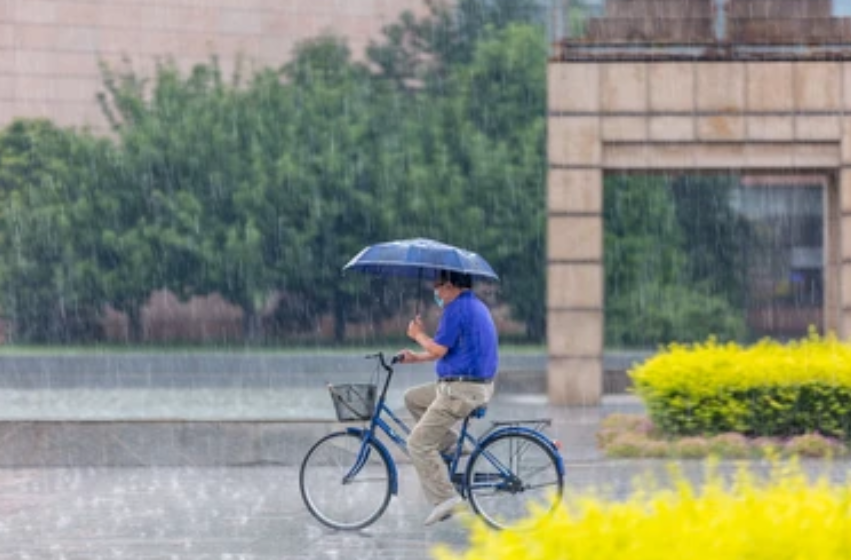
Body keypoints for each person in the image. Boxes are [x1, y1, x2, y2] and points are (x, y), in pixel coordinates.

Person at [396, 269, 499, 526]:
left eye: (439, 287)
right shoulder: (473, 306)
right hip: (468, 386)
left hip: (460, 391)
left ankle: (446, 499)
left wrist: (417, 335)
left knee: (417, 443)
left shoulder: (456, 309)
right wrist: (416, 356)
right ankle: (451, 445)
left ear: (451, 285)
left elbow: (439, 348)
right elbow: (444, 351)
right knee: (413, 398)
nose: (437, 293)